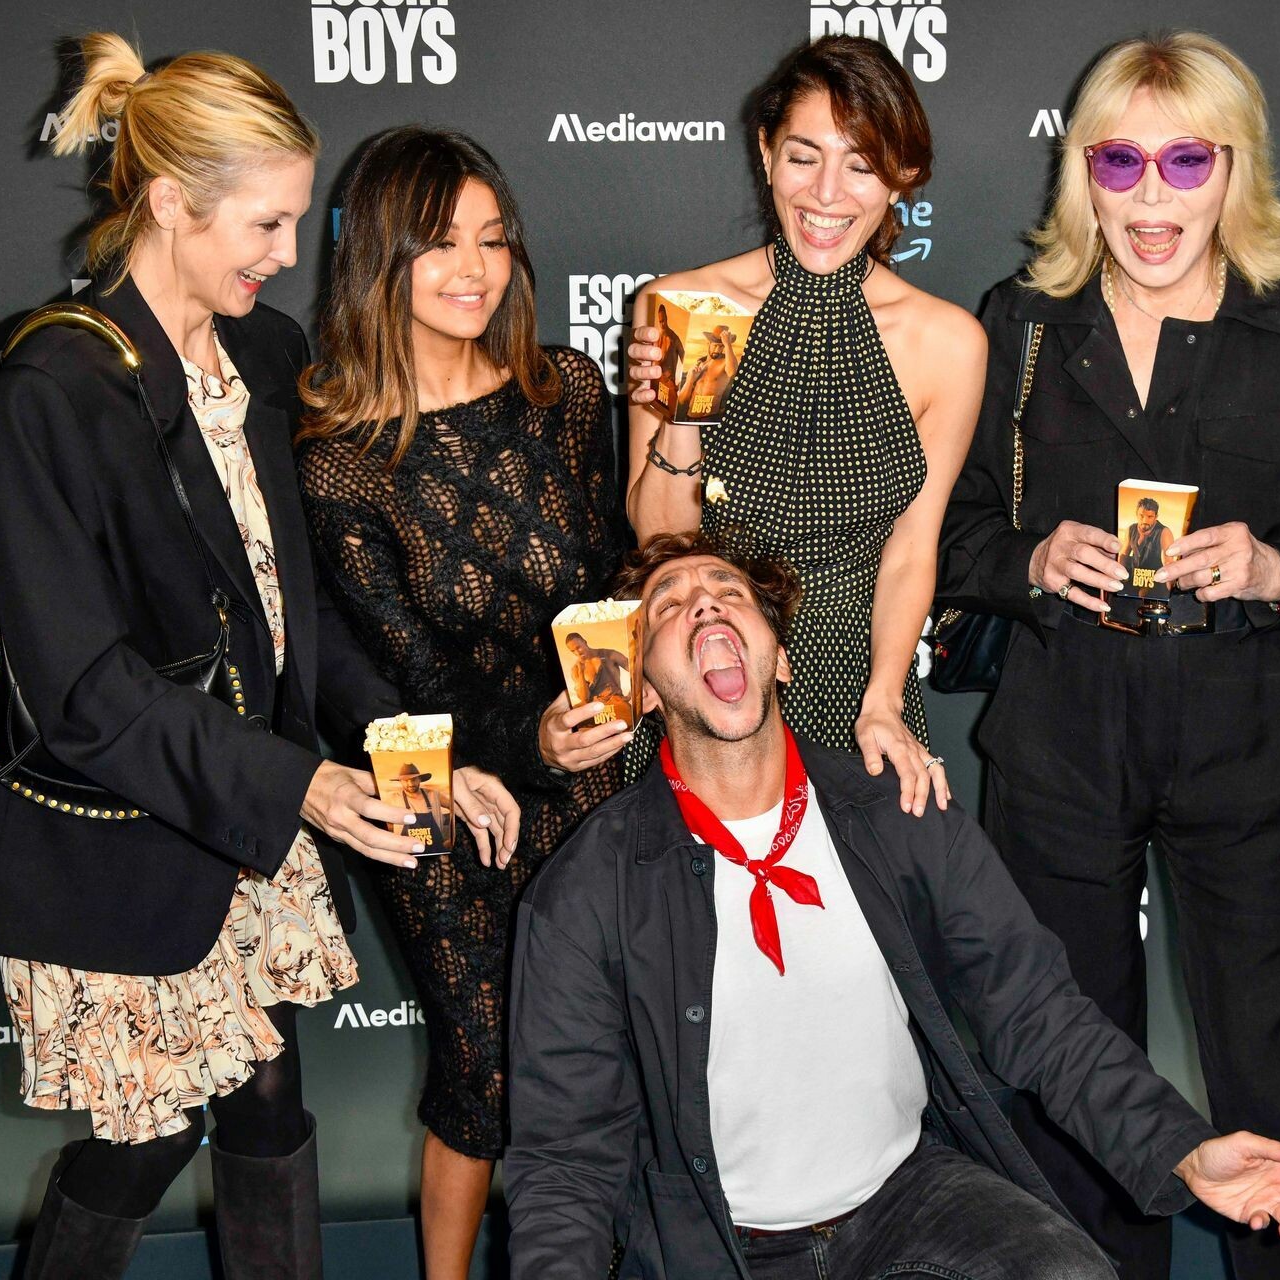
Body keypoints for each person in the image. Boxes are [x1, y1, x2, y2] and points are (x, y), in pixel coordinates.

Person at [0, 35, 522, 1280]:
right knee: (147, 1139)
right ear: (169, 202)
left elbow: (295, 617)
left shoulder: (262, 355)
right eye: (266, 223)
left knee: (268, 1094)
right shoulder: (48, 388)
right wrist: (301, 784)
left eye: (294, 220)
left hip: (250, 811)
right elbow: (84, 689)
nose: (286, 251)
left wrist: (415, 751)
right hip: (126, 826)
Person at [505, 532, 1280, 1280]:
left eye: (729, 592)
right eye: (669, 606)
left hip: (903, 1201)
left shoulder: (897, 812)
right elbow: (565, 1160)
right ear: (645, 689)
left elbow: (1038, 1011)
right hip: (714, 1243)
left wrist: (1184, 1149)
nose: (705, 605)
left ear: (781, 658)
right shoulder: (587, 890)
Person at [937, 31, 1280, 1280]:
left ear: (1234, 169)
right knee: (1070, 1077)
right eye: (1121, 162)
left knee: (1270, 1076)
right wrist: (1033, 558)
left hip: (1253, 746)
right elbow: (951, 534)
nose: (1151, 197)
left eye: (1185, 161)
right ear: (1083, 176)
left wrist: (1277, 572)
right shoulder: (1022, 325)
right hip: (1062, 743)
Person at [296, 126, 631, 1280]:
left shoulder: (565, 390)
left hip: (597, 767)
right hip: (442, 793)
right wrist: (525, 742)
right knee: (482, 1070)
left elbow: (612, 571)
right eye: (442, 243)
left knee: (618, 1049)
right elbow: (409, 677)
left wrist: (614, 695)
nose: (476, 269)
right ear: (381, 257)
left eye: (494, 239)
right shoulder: (343, 455)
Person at [623, 35, 985, 817]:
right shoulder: (679, 306)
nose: (827, 193)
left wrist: (883, 699)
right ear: (765, 152)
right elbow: (662, 545)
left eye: (861, 166)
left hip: (861, 685)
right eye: (803, 156)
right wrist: (683, 414)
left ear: (902, 176)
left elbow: (911, 550)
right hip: (710, 680)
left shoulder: (949, 343)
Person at [563, 632, 632, 725]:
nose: (577, 652)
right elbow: (584, 698)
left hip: (614, 702)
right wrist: (581, 672)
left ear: (585, 642)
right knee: (569, 718)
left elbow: (635, 669)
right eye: (573, 651)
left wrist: (632, 693)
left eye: (578, 647)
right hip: (593, 706)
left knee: (626, 719)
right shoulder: (576, 669)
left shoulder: (609, 654)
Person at [1121, 496, 1173, 576]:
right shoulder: (1131, 529)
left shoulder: (1164, 532)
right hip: (1133, 575)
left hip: (1155, 578)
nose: (1145, 520)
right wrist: (1119, 576)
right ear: (1136, 514)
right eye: (1141, 515)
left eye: (1150, 517)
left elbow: (1168, 564)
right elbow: (1124, 555)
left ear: (1156, 517)